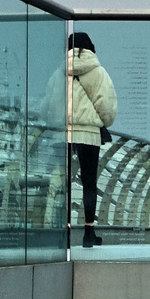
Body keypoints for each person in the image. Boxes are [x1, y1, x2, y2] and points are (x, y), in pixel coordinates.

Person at [60, 32, 117, 249]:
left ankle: (63, 234)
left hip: (63, 133)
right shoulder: (98, 72)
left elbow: (50, 103)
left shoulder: (59, 72)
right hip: (89, 134)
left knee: (63, 184)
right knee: (89, 184)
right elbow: (107, 104)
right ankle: (88, 233)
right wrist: (102, 122)